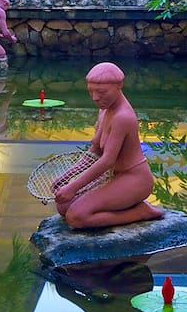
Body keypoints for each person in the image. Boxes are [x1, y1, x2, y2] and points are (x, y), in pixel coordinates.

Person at [52, 62, 163, 229]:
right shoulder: (104, 110)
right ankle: (123, 206)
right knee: (63, 207)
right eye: (91, 92)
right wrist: (66, 177)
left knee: (76, 217)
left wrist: (74, 187)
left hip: (134, 179)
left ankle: (140, 212)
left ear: (119, 86)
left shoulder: (122, 117)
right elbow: (94, 151)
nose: (95, 97)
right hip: (114, 175)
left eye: (101, 92)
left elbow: (107, 160)